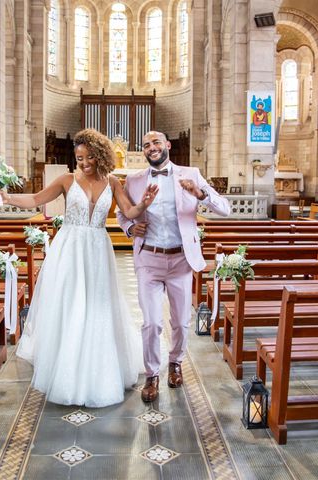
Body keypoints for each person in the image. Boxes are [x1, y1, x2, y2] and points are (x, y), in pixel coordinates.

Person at [1, 128, 159, 408]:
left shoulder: (112, 182)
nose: (83, 163)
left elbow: (129, 211)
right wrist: (8, 198)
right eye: (78, 158)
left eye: (87, 157)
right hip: (69, 248)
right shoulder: (66, 180)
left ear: (99, 155)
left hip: (98, 248)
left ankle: (97, 368)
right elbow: (36, 200)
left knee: (98, 306)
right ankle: (68, 370)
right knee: (72, 304)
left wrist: (144, 203)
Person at [117, 131, 230, 402]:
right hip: (149, 259)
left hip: (181, 259)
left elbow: (225, 208)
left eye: (156, 143)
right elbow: (122, 214)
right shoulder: (133, 180)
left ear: (167, 145)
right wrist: (131, 227)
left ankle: (176, 362)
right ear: (142, 151)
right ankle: (152, 374)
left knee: (180, 321)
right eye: (146, 145)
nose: (151, 148)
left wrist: (200, 193)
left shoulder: (190, 173)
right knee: (151, 323)